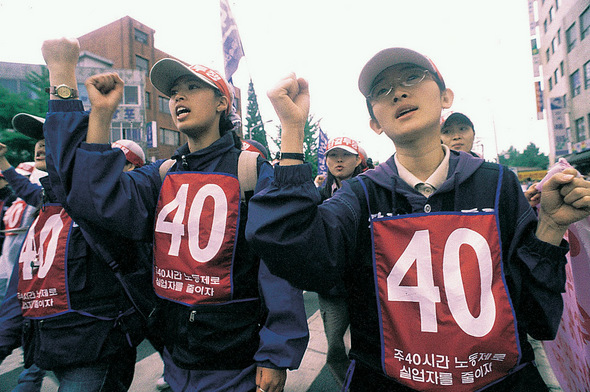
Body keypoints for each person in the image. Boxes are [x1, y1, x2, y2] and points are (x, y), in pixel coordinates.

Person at [245, 47, 590, 391]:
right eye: (382, 90)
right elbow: (291, 249)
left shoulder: (498, 185)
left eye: (412, 77)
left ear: (445, 96)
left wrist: (550, 226)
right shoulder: (361, 196)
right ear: (375, 123)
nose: (398, 92)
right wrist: (292, 130)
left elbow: (537, 317)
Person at [42, 37, 308, 392]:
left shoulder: (250, 170)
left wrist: (276, 353)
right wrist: (90, 107)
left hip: (235, 361)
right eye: (174, 92)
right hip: (175, 355)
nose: (179, 97)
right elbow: (89, 199)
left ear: (221, 103)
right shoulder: (161, 174)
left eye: (192, 87)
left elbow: (278, 266)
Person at [317, 136, 365, 385]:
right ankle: (345, 384)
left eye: (345, 154)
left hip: (367, 283)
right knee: (335, 345)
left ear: (358, 160)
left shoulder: (371, 190)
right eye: (333, 154)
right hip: (332, 285)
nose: (338, 160)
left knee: (369, 341)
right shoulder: (318, 194)